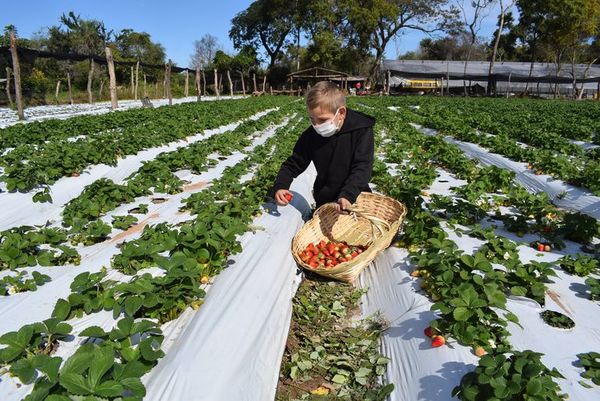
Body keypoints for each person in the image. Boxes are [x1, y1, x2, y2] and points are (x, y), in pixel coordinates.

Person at [270, 81, 375, 213]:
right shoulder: (311, 135)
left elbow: (362, 167)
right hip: (325, 199)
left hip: (356, 197)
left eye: (322, 120)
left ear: (341, 113)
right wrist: (281, 186)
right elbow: (294, 163)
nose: (317, 125)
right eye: (312, 119)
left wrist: (347, 195)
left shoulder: (361, 130)